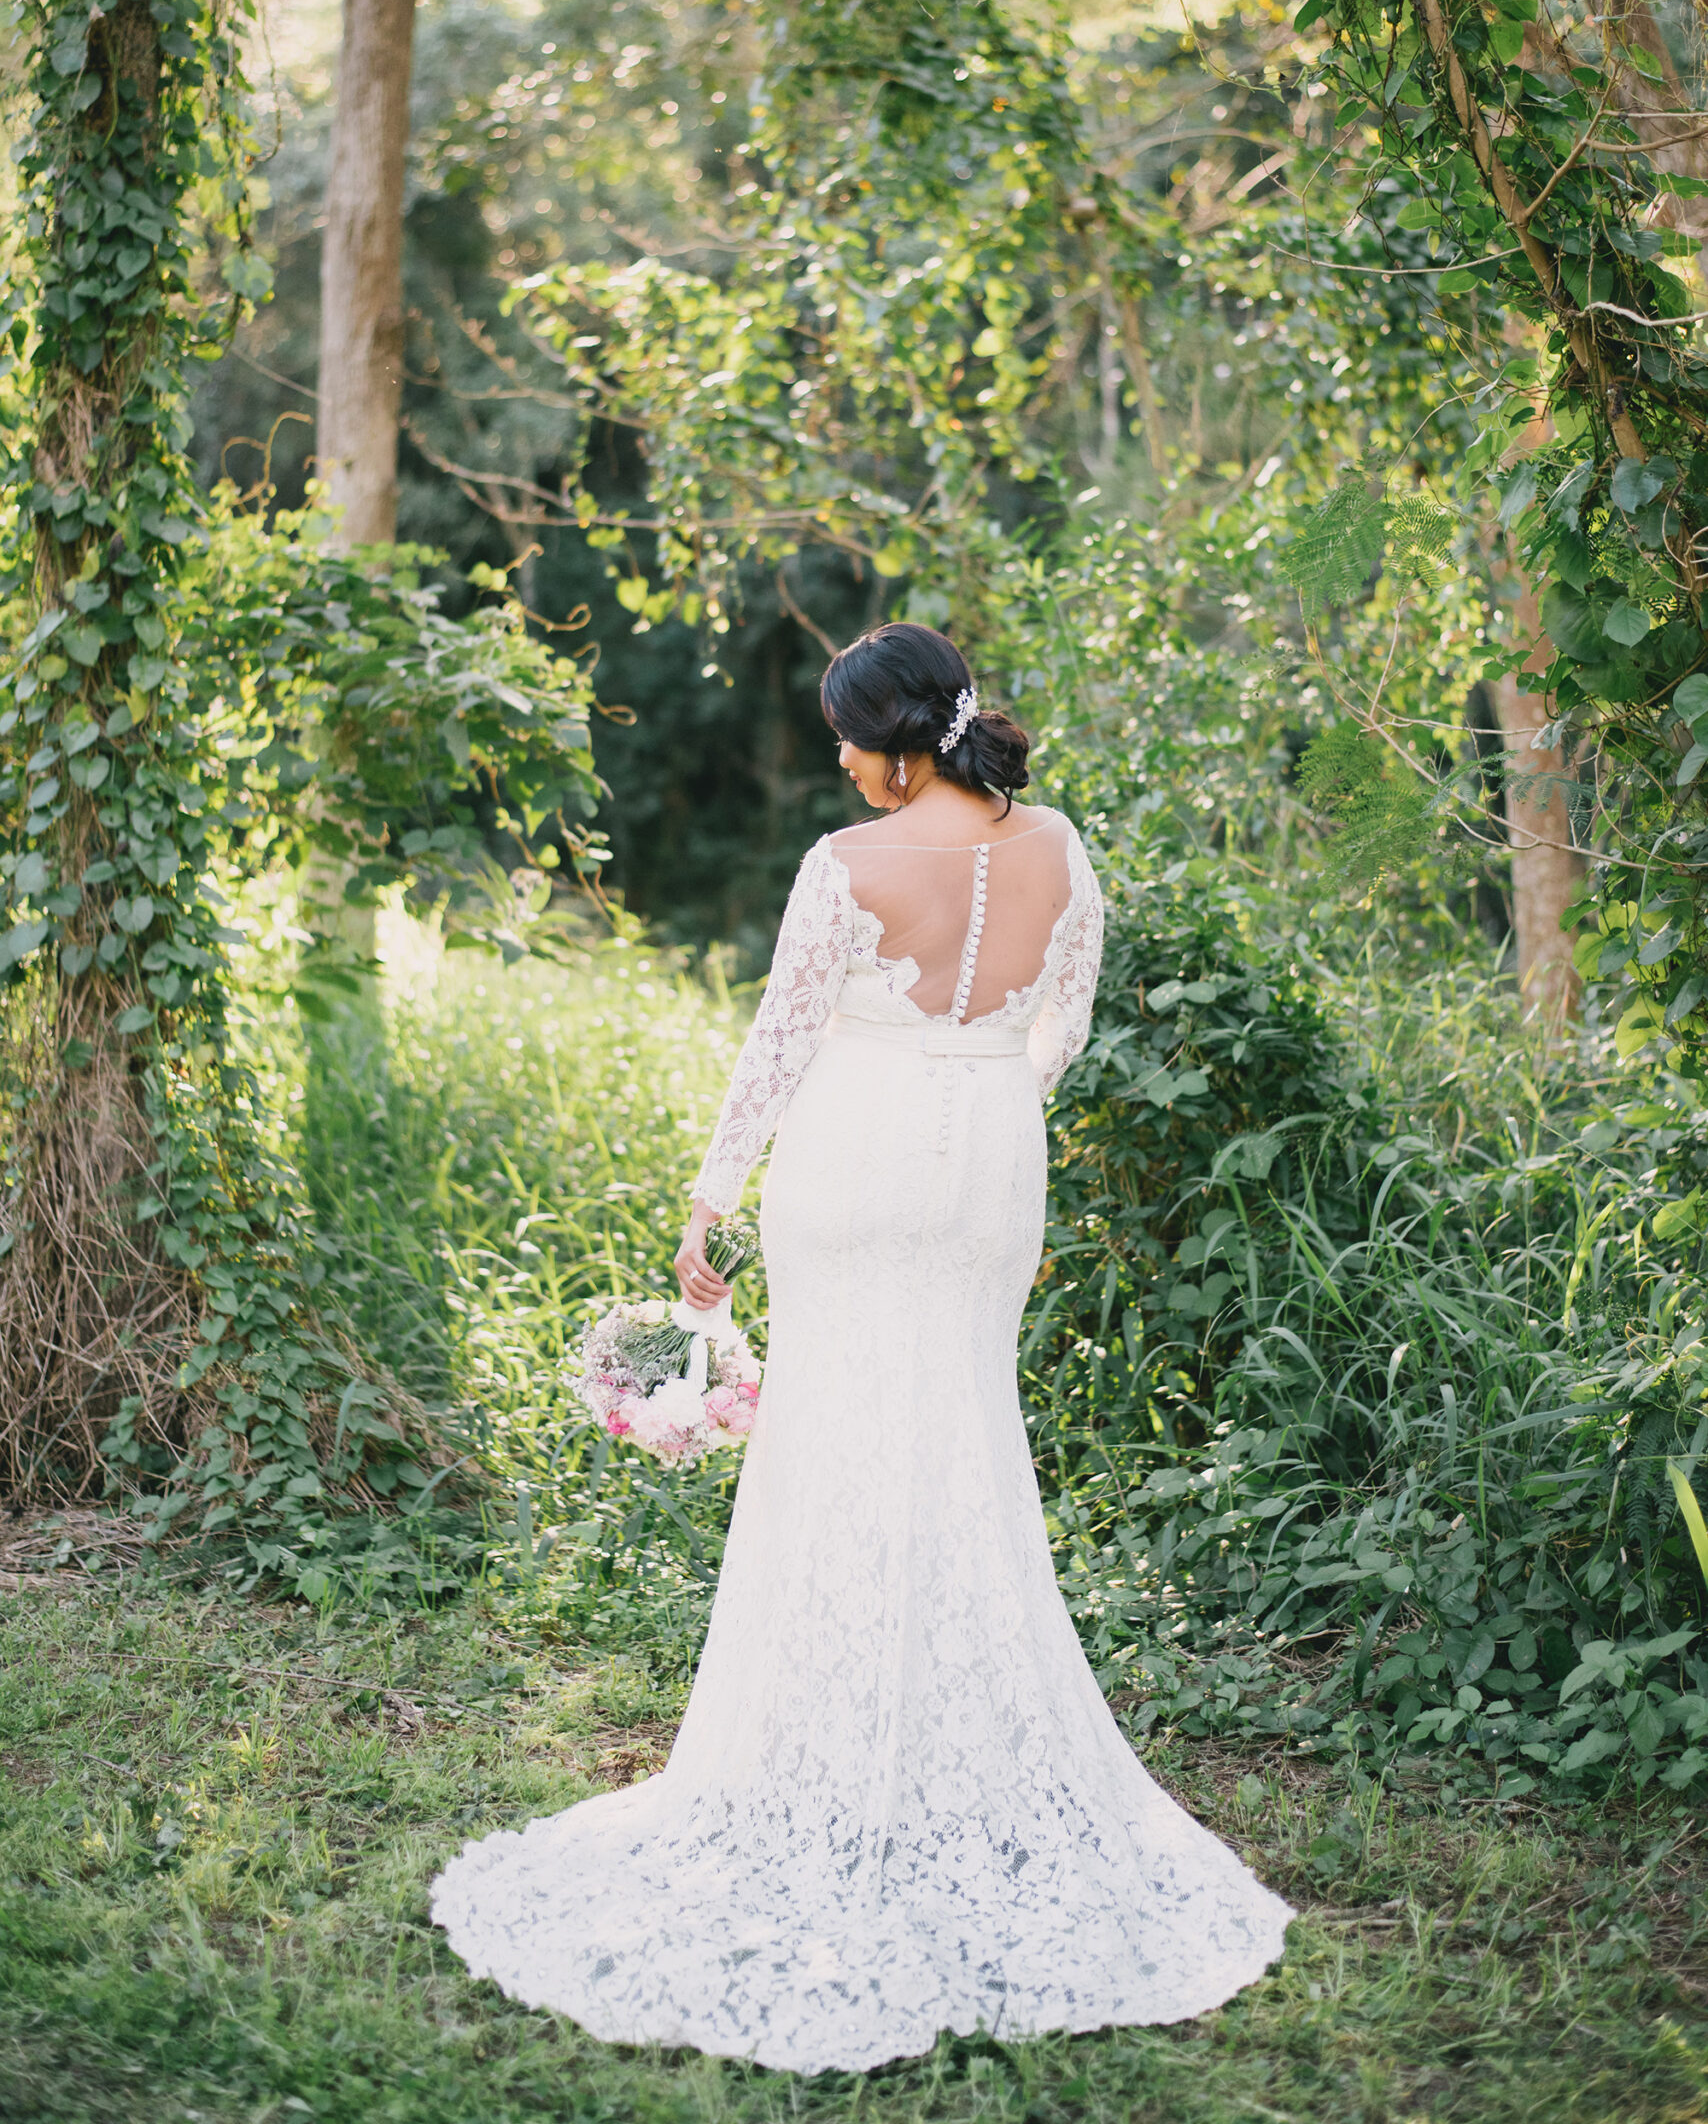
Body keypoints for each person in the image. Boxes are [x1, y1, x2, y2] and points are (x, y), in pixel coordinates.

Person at [432, 623, 1291, 2072]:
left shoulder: (846, 864)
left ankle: (821, 1755)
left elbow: (778, 1041)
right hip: (987, 1174)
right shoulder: (1063, 851)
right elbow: (1057, 1028)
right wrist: (977, 1093)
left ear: (899, 741)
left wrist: (712, 1192)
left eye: (846, 734)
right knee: (960, 1434)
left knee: (836, 1444)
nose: (837, 759)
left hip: (854, 1166)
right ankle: (953, 1755)